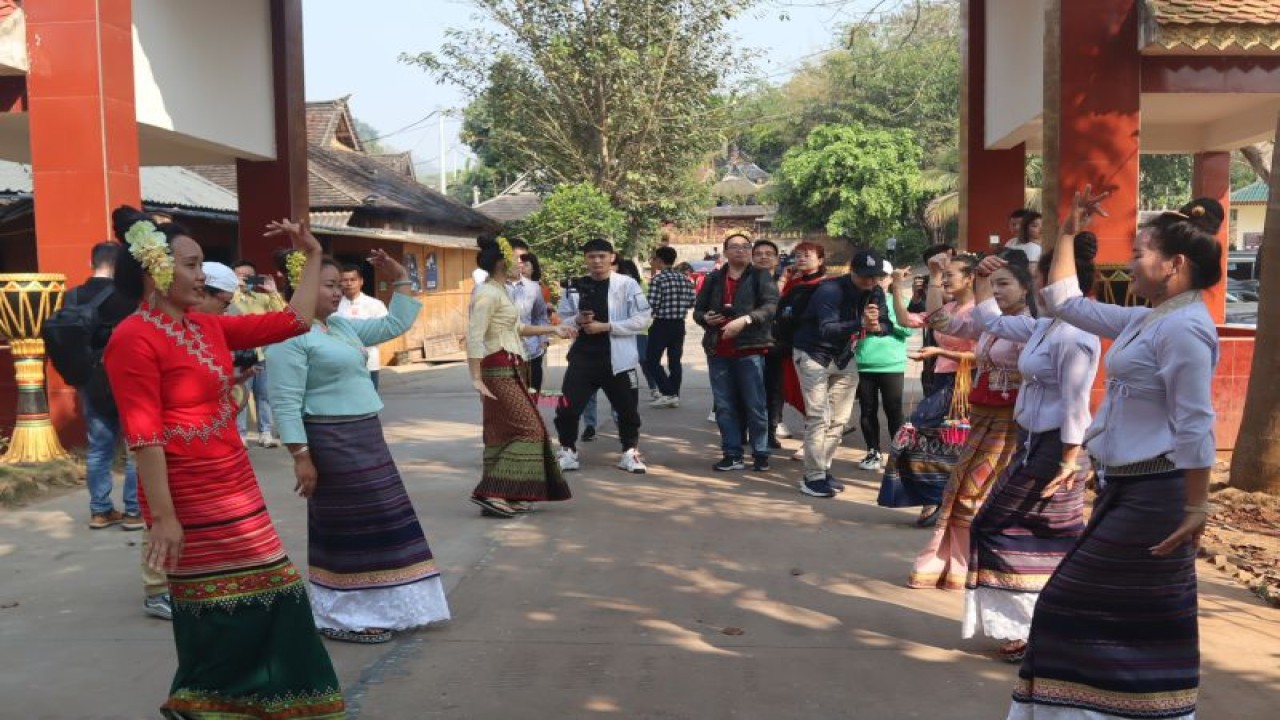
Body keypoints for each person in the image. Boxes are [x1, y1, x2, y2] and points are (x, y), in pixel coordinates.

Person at [103, 206, 344, 718]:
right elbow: (144, 437)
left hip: (235, 483)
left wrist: (314, 253)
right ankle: (206, 701)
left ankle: (252, 703)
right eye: (190, 265)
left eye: (200, 264)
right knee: (213, 606)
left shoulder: (206, 325)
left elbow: (294, 320)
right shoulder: (132, 338)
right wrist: (163, 518)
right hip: (184, 494)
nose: (201, 274)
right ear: (154, 268)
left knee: (275, 592)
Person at [1007, 191, 1221, 720]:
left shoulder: (1185, 328)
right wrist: (1065, 232)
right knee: (1124, 613)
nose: (1129, 263)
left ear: (1174, 265)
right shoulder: (1148, 319)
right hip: (1125, 488)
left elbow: (1195, 422)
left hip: (1158, 494)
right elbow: (1064, 300)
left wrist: (1197, 506)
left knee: (1069, 604)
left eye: (1140, 253)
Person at [268, 250, 449, 643]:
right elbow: (284, 401)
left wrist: (400, 277)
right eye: (329, 285)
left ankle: (385, 606)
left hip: (366, 434)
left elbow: (396, 322)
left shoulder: (339, 327)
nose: (338, 293)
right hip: (331, 440)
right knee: (351, 526)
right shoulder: (288, 336)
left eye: (338, 285)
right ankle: (344, 614)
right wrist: (301, 456)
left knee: (384, 521)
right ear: (302, 286)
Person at [961, 234, 1100, 664]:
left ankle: (1043, 624)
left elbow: (1078, 403)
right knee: (1033, 534)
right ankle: (1042, 626)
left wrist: (1069, 459)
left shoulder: (1075, 335)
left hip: (1057, 449)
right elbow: (992, 322)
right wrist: (984, 281)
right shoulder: (1044, 327)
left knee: (1010, 527)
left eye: (1045, 279)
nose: (1041, 288)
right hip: (1032, 443)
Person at [907, 250, 1032, 590]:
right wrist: (935, 276)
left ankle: (979, 565)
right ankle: (950, 564)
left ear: (1025, 289)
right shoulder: (990, 325)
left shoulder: (1029, 327)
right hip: (981, 416)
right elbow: (940, 321)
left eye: (1004, 284)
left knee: (979, 492)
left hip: (1012, 423)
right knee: (956, 490)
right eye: (992, 285)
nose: (998, 291)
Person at [468, 237, 576, 517]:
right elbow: (474, 337)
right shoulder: (486, 293)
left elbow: (518, 327)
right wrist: (476, 378)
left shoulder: (500, 291)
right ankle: (492, 491)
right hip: (497, 368)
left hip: (512, 364)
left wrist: (554, 331)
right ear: (501, 262)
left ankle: (509, 493)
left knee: (503, 431)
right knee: (531, 429)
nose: (523, 264)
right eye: (517, 259)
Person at [884, 254, 978, 526]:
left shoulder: (980, 310)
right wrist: (898, 287)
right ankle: (936, 497)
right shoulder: (948, 309)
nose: (945, 280)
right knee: (933, 438)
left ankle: (941, 498)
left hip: (967, 381)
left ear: (970, 278)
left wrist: (940, 351)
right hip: (942, 379)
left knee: (926, 432)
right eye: (943, 275)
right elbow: (907, 321)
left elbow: (985, 355)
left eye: (950, 275)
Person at [791, 249, 892, 497]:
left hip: (845, 356)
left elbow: (886, 325)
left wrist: (877, 325)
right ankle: (812, 477)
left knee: (839, 419)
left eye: (875, 277)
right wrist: (861, 323)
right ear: (852, 272)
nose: (870, 282)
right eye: (865, 276)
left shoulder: (876, 291)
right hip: (813, 354)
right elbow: (826, 329)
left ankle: (823, 469)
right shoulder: (830, 290)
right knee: (818, 417)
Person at [64, 243, 145, 532]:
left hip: (89, 381)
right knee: (137, 445)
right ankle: (134, 511)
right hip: (127, 379)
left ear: (91, 262)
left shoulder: (71, 296)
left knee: (99, 448)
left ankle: (100, 511)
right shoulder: (127, 297)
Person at [554, 238, 652, 474]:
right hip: (583, 358)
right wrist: (578, 320)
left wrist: (607, 326)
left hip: (618, 360)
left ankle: (630, 453)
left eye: (601, 256)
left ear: (612, 257)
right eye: (591, 256)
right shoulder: (574, 286)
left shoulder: (627, 284)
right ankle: (568, 451)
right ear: (585, 259)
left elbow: (643, 318)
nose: (597, 261)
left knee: (628, 409)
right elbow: (562, 318)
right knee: (567, 408)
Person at [693, 232, 779, 472]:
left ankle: (761, 452)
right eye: (734, 247)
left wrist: (746, 320)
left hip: (749, 349)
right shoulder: (713, 278)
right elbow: (698, 310)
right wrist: (706, 318)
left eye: (745, 247)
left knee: (755, 404)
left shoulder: (760, 276)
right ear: (725, 251)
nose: (740, 250)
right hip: (718, 350)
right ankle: (732, 453)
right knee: (724, 405)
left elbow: (771, 307)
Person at [854, 260, 914, 471]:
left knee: (894, 410)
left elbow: (908, 329)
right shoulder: (858, 300)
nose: (878, 281)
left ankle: (898, 454)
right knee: (867, 410)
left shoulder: (898, 300)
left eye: (882, 277)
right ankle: (873, 451)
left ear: (891, 279)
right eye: (873, 277)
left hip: (891, 364)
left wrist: (883, 325)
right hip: (863, 363)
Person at [773, 242, 829, 446]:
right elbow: (774, 304)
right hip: (790, 345)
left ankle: (814, 440)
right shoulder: (793, 284)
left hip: (816, 348)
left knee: (812, 395)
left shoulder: (828, 284)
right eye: (798, 255)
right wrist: (784, 278)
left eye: (807, 255)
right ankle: (815, 434)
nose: (801, 259)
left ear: (821, 260)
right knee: (793, 390)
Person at [230, 259, 284, 447]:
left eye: (248, 276)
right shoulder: (228, 297)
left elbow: (283, 314)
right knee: (241, 394)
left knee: (264, 395)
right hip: (240, 356)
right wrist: (236, 288)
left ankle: (266, 432)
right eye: (239, 275)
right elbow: (231, 311)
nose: (244, 279)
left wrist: (273, 292)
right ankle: (240, 433)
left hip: (263, 354)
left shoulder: (262, 298)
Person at [645, 245, 696, 408]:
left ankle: (668, 393)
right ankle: (674, 394)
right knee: (675, 362)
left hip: (661, 324)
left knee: (651, 360)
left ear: (659, 260)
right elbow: (691, 302)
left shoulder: (658, 279)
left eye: (654, 259)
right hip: (679, 324)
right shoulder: (685, 279)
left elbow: (652, 304)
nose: (653, 262)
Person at [751, 239, 788, 447]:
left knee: (774, 392)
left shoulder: (788, 282)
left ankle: (770, 431)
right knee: (749, 390)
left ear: (776, 258)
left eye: (769, 253)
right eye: (759, 253)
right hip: (749, 344)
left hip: (777, 345)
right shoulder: (743, 281)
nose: (764, 257)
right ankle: (747, 430)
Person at [336, 263, 390, 389]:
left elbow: (385, 330)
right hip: (340, 364)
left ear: (361, 281)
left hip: (369, 363)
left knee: (369, 403)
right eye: (345, 280)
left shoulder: (375, 304)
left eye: (353, 280)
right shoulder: (334, 304)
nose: (349, 283)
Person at [515, 251, 552, 394]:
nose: (522, 266)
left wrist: (543, 339)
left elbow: (541, 315)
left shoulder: (539, 288)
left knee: (533, 385)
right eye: (520, 263)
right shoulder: (503, 286)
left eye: (526, 264)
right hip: (511, 346)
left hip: (533, 343)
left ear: (533, 268)